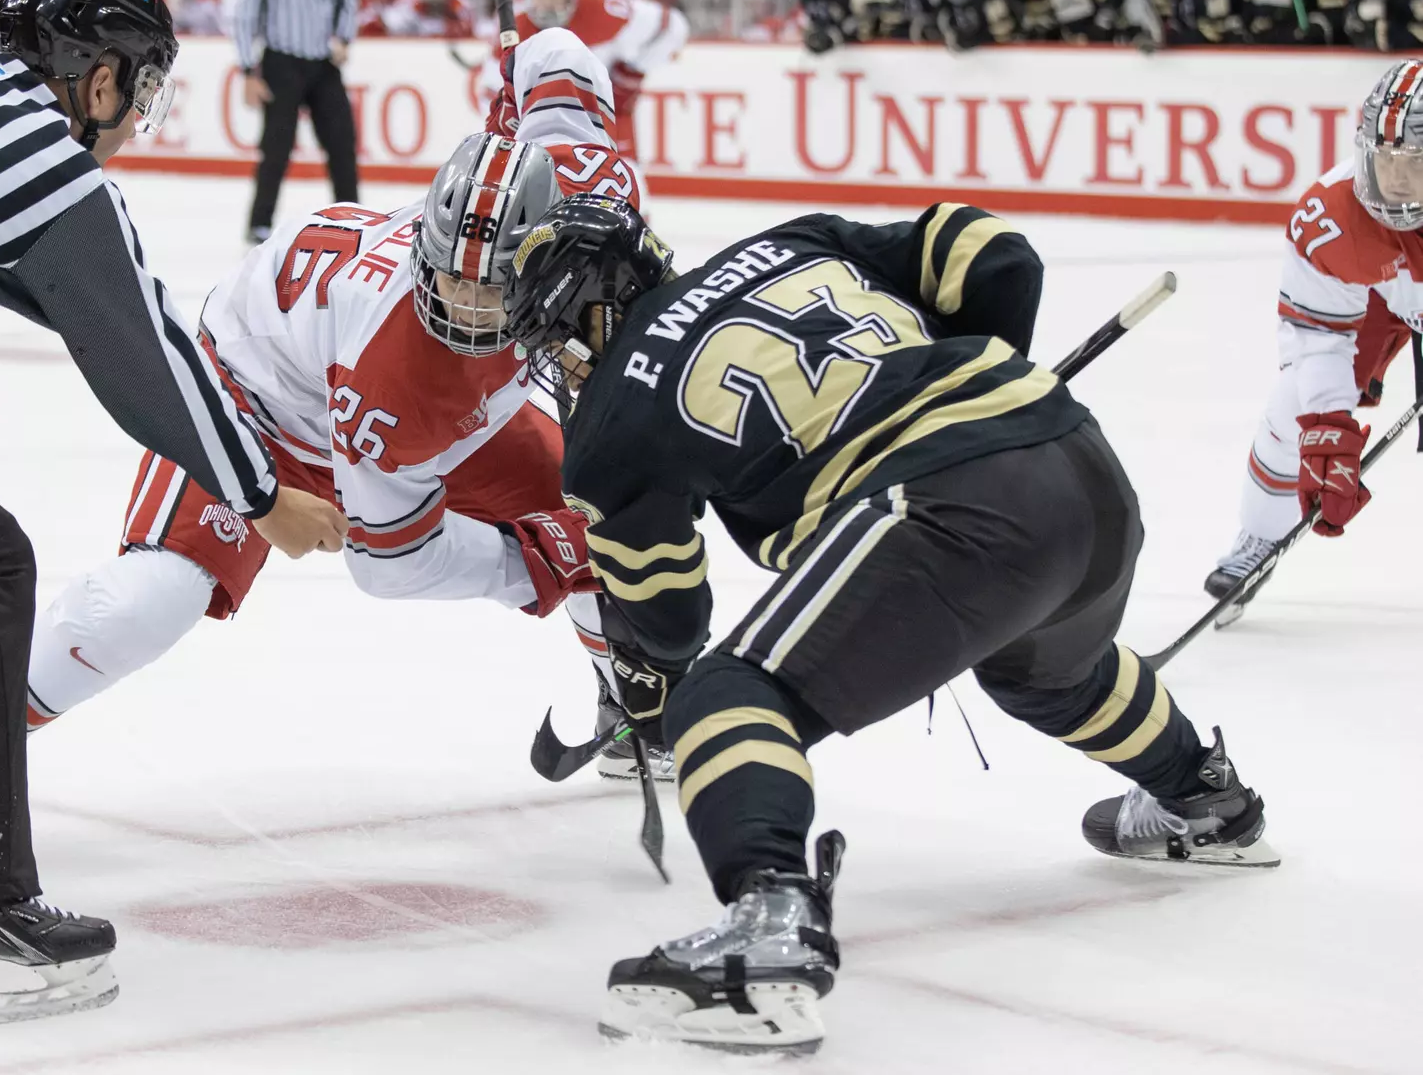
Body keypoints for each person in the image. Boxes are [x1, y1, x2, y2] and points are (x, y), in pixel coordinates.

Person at [0, 27, 666, 887]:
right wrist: (543, 560)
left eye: (484, 287)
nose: (459, 304)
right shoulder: (406, 373)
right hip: (257, 402)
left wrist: (519, 59)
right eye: (444, 276)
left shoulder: (588, 183)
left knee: (607, 507)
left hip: (390, 390)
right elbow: (391, 561)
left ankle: (627, 694)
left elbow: (557, 56)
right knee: (149, 600)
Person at [503, 196, 1279, 1053]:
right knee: (1046, 673)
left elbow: (671, 620)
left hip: (946, 504)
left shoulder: (610, 419)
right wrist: (960, 387)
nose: (559, 364)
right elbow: (993, 251)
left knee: (724, 696)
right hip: (1077, 460)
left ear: (589, 311)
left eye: (554, 339)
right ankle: (1204, 798)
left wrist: (653, 688)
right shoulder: (788, 240)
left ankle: (769, 931)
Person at [0, 0, 346, 1029]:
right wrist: (260, 494)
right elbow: (140, 358)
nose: (134, 116)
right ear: (97, 78)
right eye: (140, 87)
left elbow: (49, 294)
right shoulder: (41, 163)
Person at [1203, 60, 1423, 607]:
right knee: (1294, 407)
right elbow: (1319, 334)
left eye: (1414, 164)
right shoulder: (1333, 215)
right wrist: (1328, 424)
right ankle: (1260, 535)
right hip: (1381, 289)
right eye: (1385, 160)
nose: (1394, 180)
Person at [481, 0, 687, 174]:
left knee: (627, 184)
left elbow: (674, 26)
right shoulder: (516, 27)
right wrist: (508, 111)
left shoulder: (603, 10)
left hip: (604, 118)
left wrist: (632, 73)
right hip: (544, 128)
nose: (547, 2)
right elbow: (490, 92)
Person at [236, 0, 359, 245]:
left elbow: (349, 0)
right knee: (276, 146)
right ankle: (260, 222)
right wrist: (248, 69)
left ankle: (354, 217)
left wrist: (344, 38)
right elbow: (246, 14)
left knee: (342, 142)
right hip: (281, 61)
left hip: (324, 63)